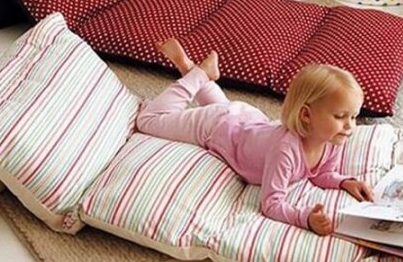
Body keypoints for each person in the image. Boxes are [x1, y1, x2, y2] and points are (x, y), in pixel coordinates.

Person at [136, 38, 374, 236]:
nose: (349, 126)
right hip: (216, 126)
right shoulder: (285, 150)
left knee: (223, 107)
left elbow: (321, 174)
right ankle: (198, 73)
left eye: (354, 117)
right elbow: (271, 204)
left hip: (245, 120)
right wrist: (305, 218)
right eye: (340, 116)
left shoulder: (332, 140)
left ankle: (191, 67)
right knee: (148, 121)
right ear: (306, 115)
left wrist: (345, 182)